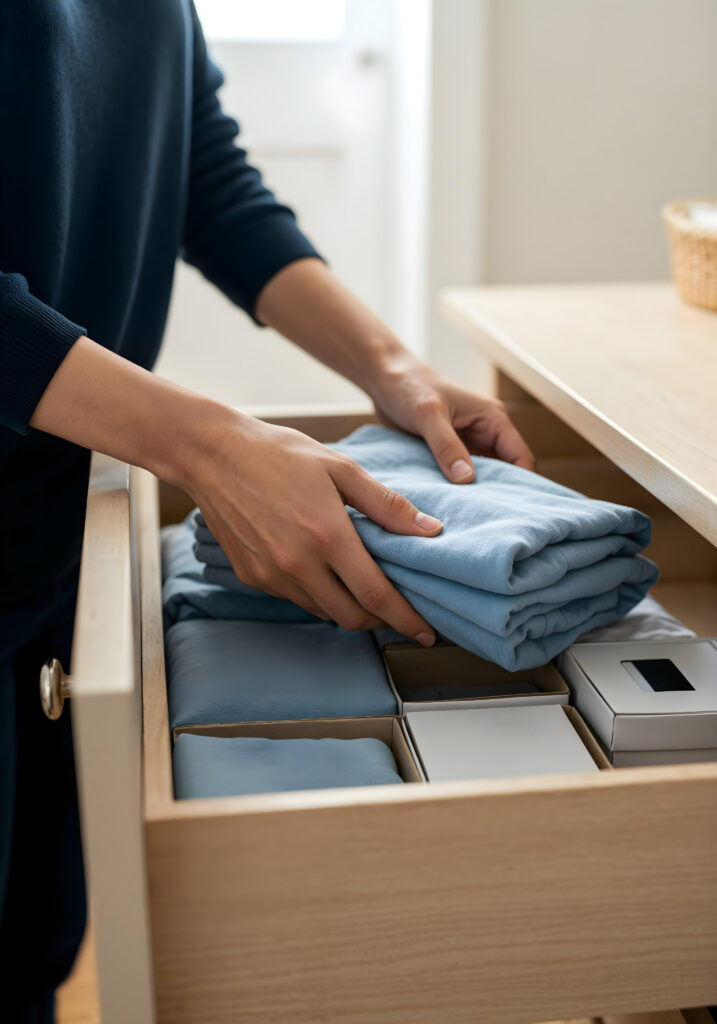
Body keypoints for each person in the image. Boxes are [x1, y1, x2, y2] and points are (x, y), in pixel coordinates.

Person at [0, 2, 534, 1019]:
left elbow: (207, 177)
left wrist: (393, 367)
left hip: (55, 534)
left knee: (38, 939)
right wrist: (206, 441)